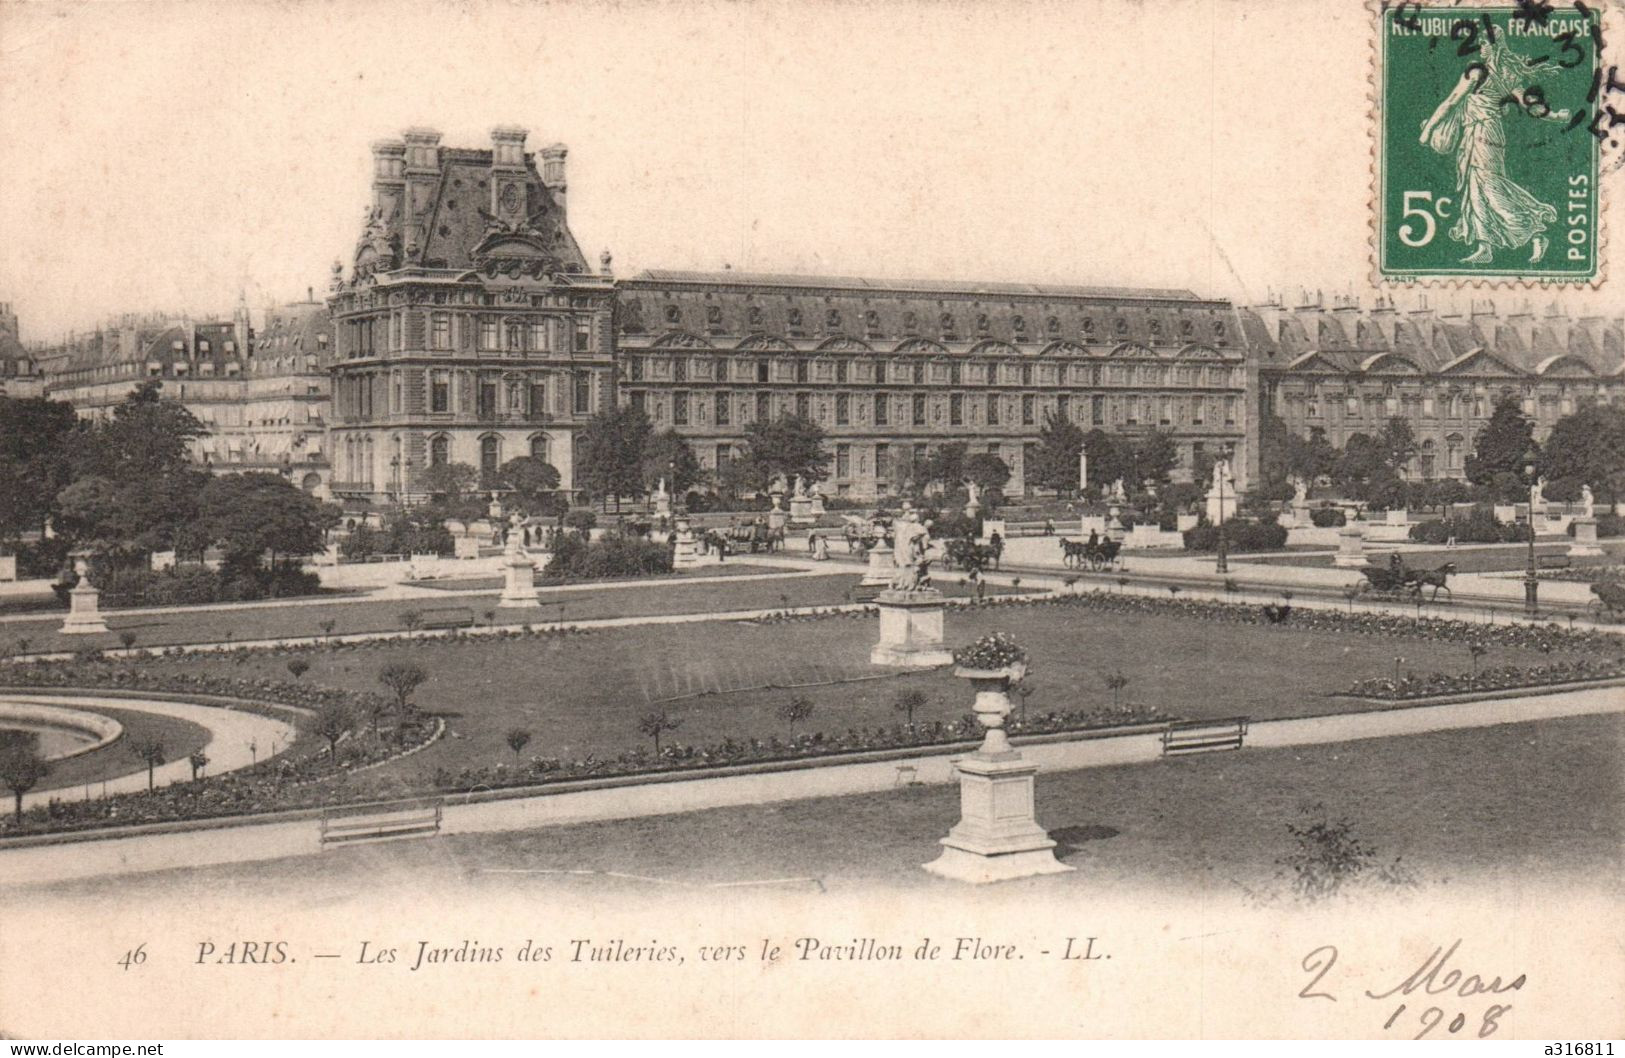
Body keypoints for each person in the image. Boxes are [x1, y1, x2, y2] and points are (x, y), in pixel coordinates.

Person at [1420, 39, 1568, 265]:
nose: (1481, 47)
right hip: (1487, 133)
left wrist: (1429, 129)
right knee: (1476, 188)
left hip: (1482, 132)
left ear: (1496, 46)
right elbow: (1531, 107)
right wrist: (1556, 116)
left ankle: (1535, 234)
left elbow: (1451, 102)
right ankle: (1485, 246)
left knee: (1489, 187)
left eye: (1485, 43)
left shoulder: (1478, 72)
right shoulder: (1509, 76)